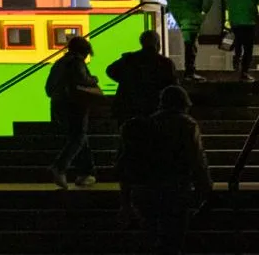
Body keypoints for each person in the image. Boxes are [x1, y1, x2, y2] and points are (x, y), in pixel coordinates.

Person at [117, 86, 211, 255]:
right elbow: (196, 158)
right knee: (173, 238)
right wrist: (204, 187)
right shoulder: (187, 125)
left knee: (152, 234)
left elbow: (125, 163)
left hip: (146, 188)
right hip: (175, 188)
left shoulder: (146, 125)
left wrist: (125, 200)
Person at [44, 35, 101, 188]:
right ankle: (60, 167)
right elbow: (83, 80)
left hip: (57, 105)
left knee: (79, 138)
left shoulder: (58, 63)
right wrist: (94, 79)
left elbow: (48, 88)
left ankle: (87, 173)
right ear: (84, 51)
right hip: (75, 105)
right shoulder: (76, 63)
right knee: (79, 137)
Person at [159, 0, 216, 80]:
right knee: (191, 40)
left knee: (188, 38)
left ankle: (189, 71)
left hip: (176, 7)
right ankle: (190, 72)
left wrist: (173, 3)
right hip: (192, 6)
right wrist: (204, 10)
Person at [106, 29, 179, 124]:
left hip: (130, 106)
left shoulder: (129, 59)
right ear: (157, 43)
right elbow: (173, 84)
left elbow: (110, 70)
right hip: (154, 106)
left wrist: (125, 81)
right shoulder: (165, 63)